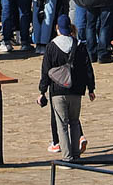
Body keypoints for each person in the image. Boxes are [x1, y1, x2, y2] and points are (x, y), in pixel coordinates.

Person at [39, 15, 96, 161]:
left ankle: (67, 157)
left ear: (57, 28)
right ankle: (76, 155)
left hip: (58, 91)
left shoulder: (52, 46)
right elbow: (87, 68)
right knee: (75, 122)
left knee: (62, 125)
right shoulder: (79, 45)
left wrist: (42, 91)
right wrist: (91, 88)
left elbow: (45, 70)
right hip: (76, 90)